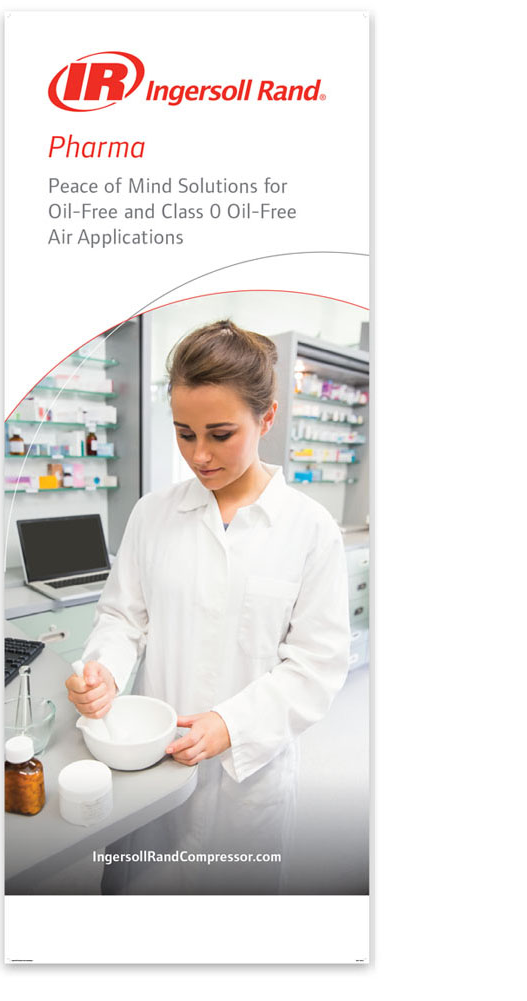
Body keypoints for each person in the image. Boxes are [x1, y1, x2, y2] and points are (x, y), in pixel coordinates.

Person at [66, 319, 351, 893]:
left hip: (247, 781)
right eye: (184, 433)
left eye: (220, 434)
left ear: (266, 418)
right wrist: (105, 672)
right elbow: (123, 617)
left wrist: (231, 724)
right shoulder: (153, 514)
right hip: (151, 761)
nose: (199, 455)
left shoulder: (310, 529)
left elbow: (317, 664)